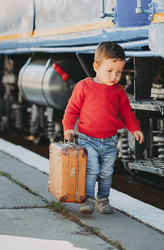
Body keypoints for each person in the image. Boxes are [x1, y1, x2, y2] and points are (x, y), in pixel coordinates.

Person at [62, 41, 145, 215]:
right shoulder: (84, 86)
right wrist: (68, 127)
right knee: (92, 169)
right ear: (96, 67)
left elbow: (127, 114)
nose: (114, 76)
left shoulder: (119, 91)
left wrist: (135, 128)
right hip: (88, 139)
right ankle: (89, 200)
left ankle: (103, 200)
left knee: (107, 172)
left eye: (119, 72)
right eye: (109, 71)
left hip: (109, 141)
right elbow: (71, 110)